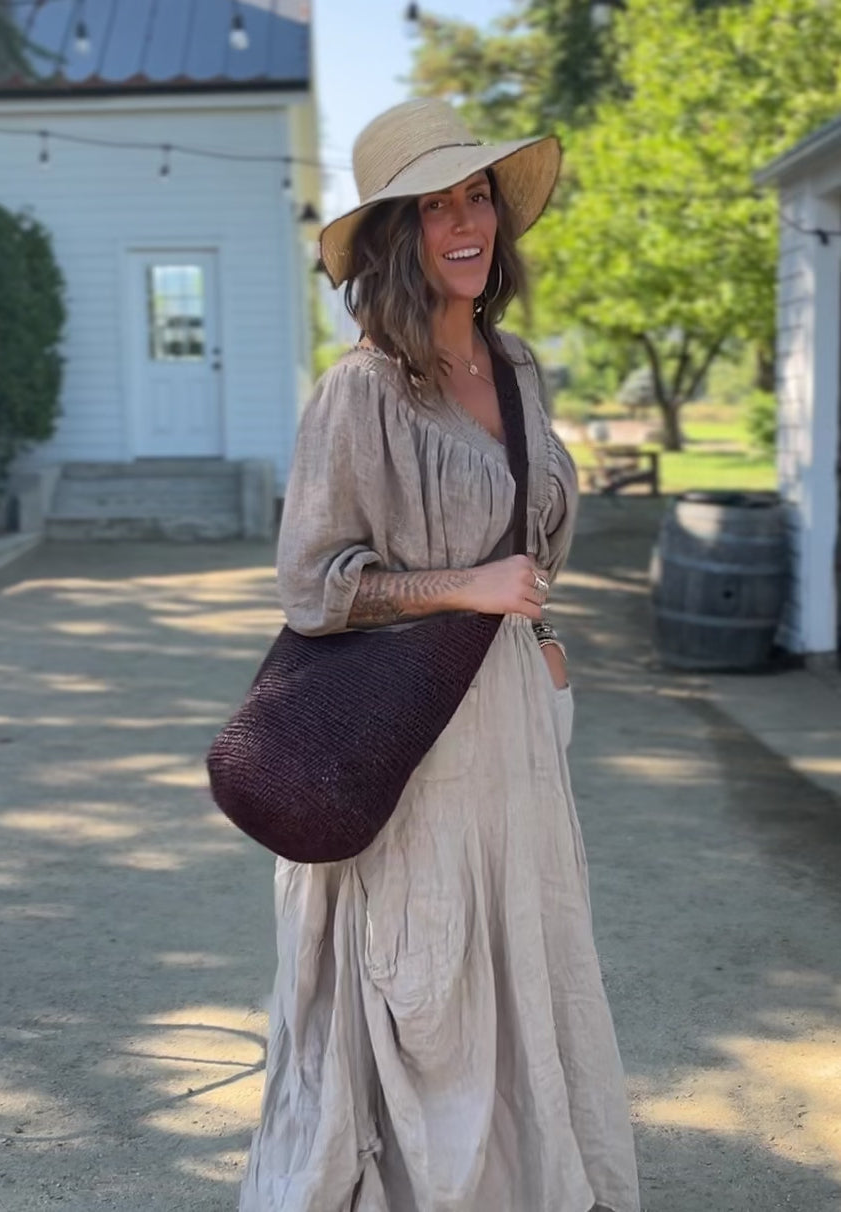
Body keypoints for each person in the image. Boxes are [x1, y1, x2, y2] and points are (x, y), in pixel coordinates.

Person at [239, 98, 640, 1212]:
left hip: (510, 716)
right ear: (393, 240)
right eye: (432, 208)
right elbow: (311, 588)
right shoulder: (359, 391)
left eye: (475, 199)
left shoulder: (516, 367)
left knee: (521, 956)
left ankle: (519, 1178)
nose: (464, 225)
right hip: (403, 735)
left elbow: (531, 534)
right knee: (423, 973)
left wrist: (538, 632)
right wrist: (464, 586)